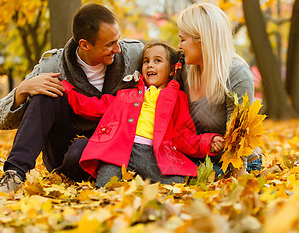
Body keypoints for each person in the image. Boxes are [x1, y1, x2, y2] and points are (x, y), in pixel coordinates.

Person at [0, 3, 144, 197]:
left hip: (116, 148)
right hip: (65, 151)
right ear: (85, 44)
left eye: (117, 40)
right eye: (109, 44)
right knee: (48, 91)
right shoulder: (52, 65)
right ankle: (14, 175)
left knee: (82, 149)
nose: (117, 49)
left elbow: (168, 67)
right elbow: (1, 119)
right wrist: (23, 90)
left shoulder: (135, 55)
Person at [62, 42, 225, 187]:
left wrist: (208, 141)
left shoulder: (176, 97)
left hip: (156, 157)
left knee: (181, 184)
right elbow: (94, 107)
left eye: (157, 61)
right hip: (118, 152)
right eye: (146, 61)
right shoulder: (126, 94)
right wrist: (67, 89)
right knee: (105, 186)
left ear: (171, 71)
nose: (150, 65)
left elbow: (184, 135)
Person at [177, 3, 263, 176]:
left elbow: (238, 135)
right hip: (200, 157)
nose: (179, 46)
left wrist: (238, 177)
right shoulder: (185, 68)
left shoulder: (236, 71)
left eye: (182, 39)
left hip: (235, 163)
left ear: (202, 40)